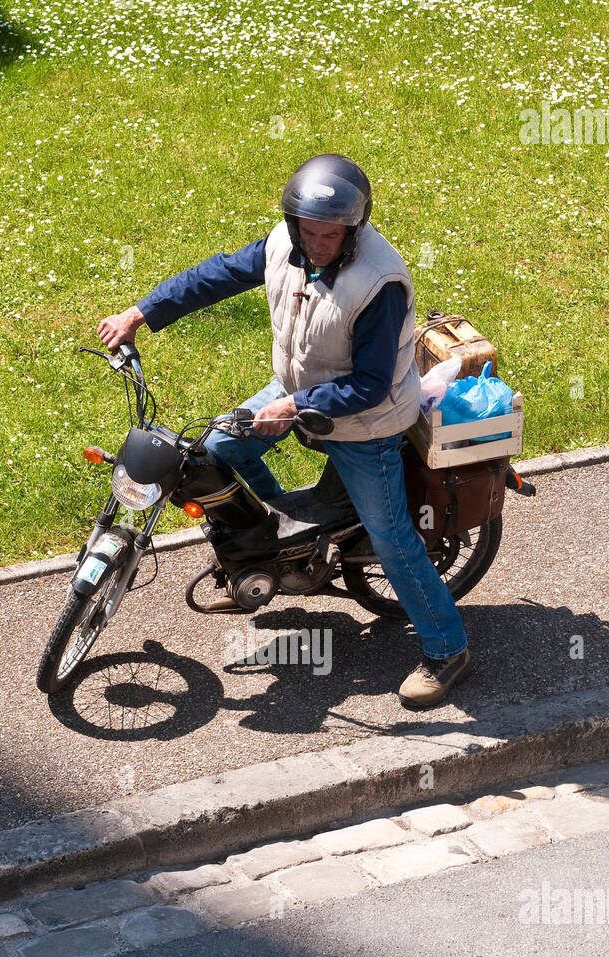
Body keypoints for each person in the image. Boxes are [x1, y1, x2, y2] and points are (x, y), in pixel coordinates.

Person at [97, 154, 471, 710]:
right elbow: (219, 273)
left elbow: (368, 384)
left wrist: (294, 405)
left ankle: (447, 649)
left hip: (366, 420)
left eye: (330, 234)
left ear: (355, 228)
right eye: (309, 230)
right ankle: (282, 551)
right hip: (300, 389)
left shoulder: (379, 283)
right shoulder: (285, 241)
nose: (317, 243)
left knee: (394, 541)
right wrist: (142, 313)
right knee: (219, 448)